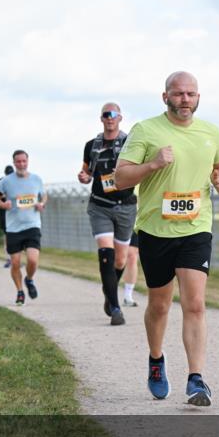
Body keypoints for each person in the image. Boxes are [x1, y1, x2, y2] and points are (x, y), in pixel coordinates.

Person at [115, 71, 219, 406]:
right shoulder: (146, 130)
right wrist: (152, 164)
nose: (185, 100)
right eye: (178, 94)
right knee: (160, 305)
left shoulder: (211, 132)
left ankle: (196, 379)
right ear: (165, 97)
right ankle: (155, 360)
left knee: (194, 303)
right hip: (155, 229)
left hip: (196, 227)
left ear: (198, 97)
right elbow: (120, 178)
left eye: (191, 94)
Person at [77, 102, 138, 326]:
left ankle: (108, 294)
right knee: (106, 253)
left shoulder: (131, 144)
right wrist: (84, 177)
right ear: (101, 118)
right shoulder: (91, 145)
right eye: (106, 115)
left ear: (120, 118)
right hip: (100, 205)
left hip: (126, 206)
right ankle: (114, 307)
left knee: (121, 259)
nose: (110, 118)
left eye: (114, 114)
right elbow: (86, 171)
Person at [0, 151, 46, 305]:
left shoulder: (36, 179)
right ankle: (20, 291)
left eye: (24, 161)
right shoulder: (6, 181)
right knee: (15, 263)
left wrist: (41, 204)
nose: (21, 164)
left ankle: (29, 279)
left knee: (33, 260)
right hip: (13, 227)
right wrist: (3, 204)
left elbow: (44, 195)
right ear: (14, 163)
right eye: (18, 162)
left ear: (28, 161)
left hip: (32, 225)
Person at [0, 165, 14, 268]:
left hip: (16, 212)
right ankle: (9, 258)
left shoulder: (18, 180)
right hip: (4, 212)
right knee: (7, 235)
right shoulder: (1, 181)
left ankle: (15, 258)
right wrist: (4, 196)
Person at [123, 231, 140, 306]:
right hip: (114, 221)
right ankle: (110, 290)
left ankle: (128, 296)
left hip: (134, 221)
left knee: (132, 255)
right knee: (117, 258)